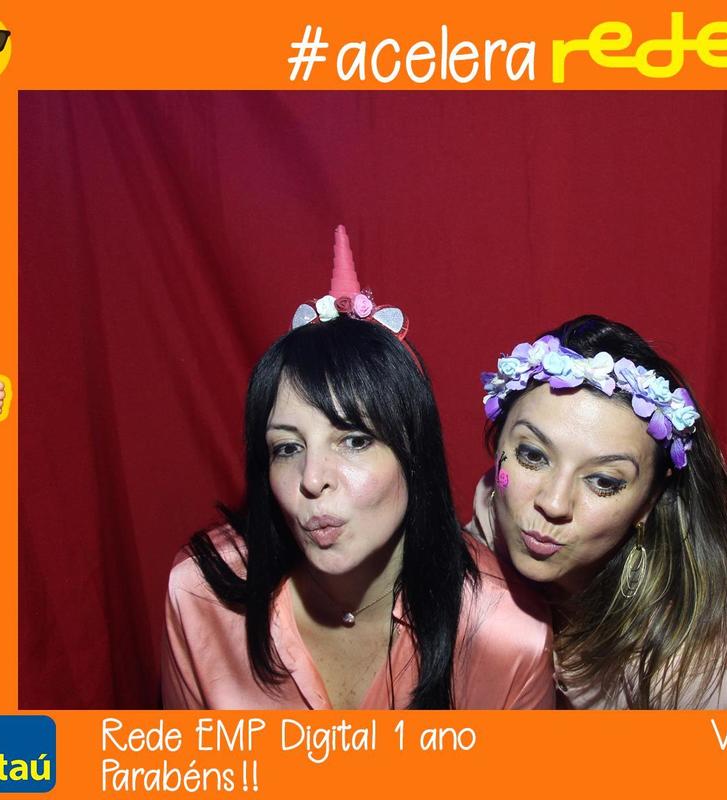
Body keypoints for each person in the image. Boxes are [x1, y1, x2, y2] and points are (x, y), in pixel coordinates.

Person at [161, 226, 553, 709]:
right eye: (287, 448)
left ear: (413, 455)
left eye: (354, 440)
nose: (312, 479)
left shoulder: (508, 635)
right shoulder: (200, 594)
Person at [470, 315, 727, 709]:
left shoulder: (688, 671)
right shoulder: (490, 514)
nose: (553, 503)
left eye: (603, 481)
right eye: (533, 455)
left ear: (649, 503)